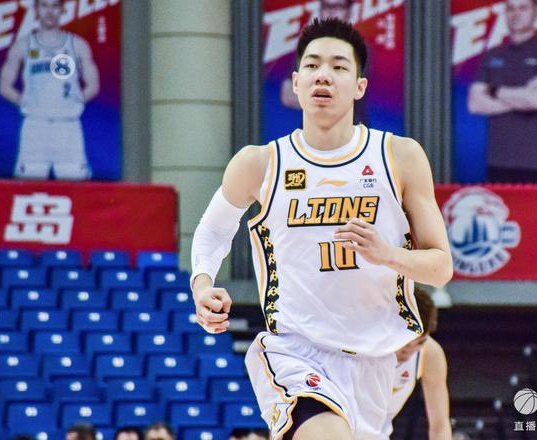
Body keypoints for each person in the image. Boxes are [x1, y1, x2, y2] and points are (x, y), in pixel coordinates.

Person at [191, 17, 452, 440]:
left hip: (375, 359)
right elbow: (212, 231)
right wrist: (202, 285)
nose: (323, 75)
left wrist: (387, 254)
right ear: (296, 83)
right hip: (297, 351)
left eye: (338, 66)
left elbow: (441, 267)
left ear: (360, 86)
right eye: (312, 65)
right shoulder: (260, 163)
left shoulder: (399, 157)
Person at [0, 0, 99, 180]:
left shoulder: (77, 45)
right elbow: (4, 86)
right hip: (35, 127)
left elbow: (93, 85)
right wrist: (25, 101)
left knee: (76, 185)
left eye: (54, 6)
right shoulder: (23, 45)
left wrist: (74, 102)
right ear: (36, 9)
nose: (50, 11)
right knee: (29, 184)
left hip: (68, 127)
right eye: (44, 6)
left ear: (62, 10)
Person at [467, 0, 537, 183]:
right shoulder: (492, 55)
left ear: (536, 12)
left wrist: (494, 91)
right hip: (498, 161)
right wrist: (522, 97)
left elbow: (536, 100)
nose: (516, 13)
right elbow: (475, 104)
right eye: (510, 8)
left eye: (523, 8)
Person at [280, 0, 368, 124]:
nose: (331, 12)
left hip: (352, 128)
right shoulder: (309, 47)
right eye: (327, 6)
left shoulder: (360, 48)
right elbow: (287, 95)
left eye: (338, 7)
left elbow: (344, 94)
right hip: (311, 130)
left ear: (349, 11)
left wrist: (313, 94)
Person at [384, 288, 451, 440]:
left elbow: (440, 425)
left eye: (419, 343)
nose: (410, 350)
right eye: (406, 343)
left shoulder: (430, 353)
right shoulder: (364, 348)